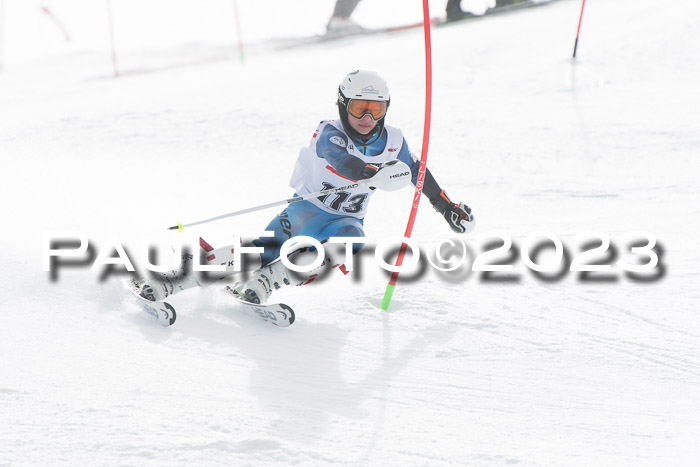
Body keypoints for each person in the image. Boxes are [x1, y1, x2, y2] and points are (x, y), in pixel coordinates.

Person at [133, 70, 475, 305]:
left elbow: (418, 172)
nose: (367, 118)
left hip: (344, 220)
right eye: (358, 107)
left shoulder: (394, 141)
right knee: (261, 251)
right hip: (305, 212)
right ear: (342, 104)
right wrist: (369, 171)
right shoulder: (329, 131)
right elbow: (339, 158)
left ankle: (263, 286)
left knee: (350, 243)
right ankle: (168, 284)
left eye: (376, 109)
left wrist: (447, 207)